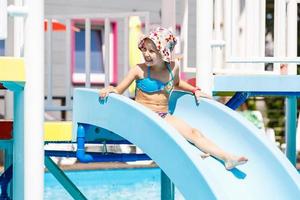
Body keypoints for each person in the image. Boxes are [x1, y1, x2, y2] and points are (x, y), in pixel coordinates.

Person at [99, 27, 248, 170]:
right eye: (144, 49)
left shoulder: (173, 67)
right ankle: (194, 154)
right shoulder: (139, 70)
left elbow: (176, 83)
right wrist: (110, 89)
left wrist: (194, 89)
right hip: (143, 117)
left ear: (164, 52)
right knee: (175, 138)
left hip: (163, 116)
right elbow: (118, 90)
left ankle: (226, 158)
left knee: (195, 133)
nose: (147, 54)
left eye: (152, 51)